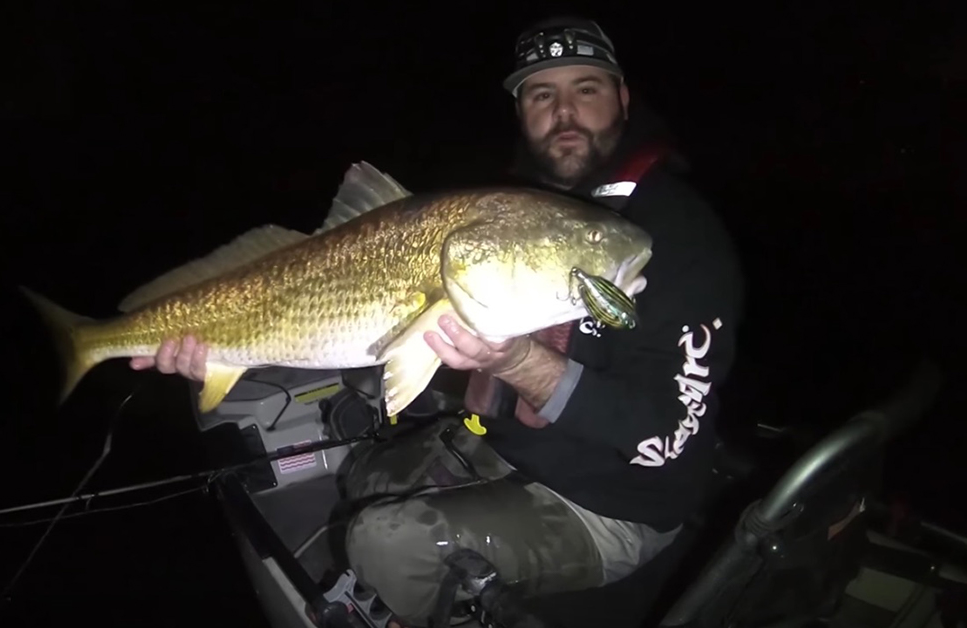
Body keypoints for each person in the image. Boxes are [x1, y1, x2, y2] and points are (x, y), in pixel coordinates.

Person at [131, 15, 744, 628]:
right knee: (366, 477)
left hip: (613, 506)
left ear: (622, 97)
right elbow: (368, 327)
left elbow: (667, 440)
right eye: (540, 93)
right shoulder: (507, 210)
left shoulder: (682, 239)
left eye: (586, 88)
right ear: (521, 110)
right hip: (513, 447)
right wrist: (220, 348)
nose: (564, 112)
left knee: (385, 539)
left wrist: (520, 362)